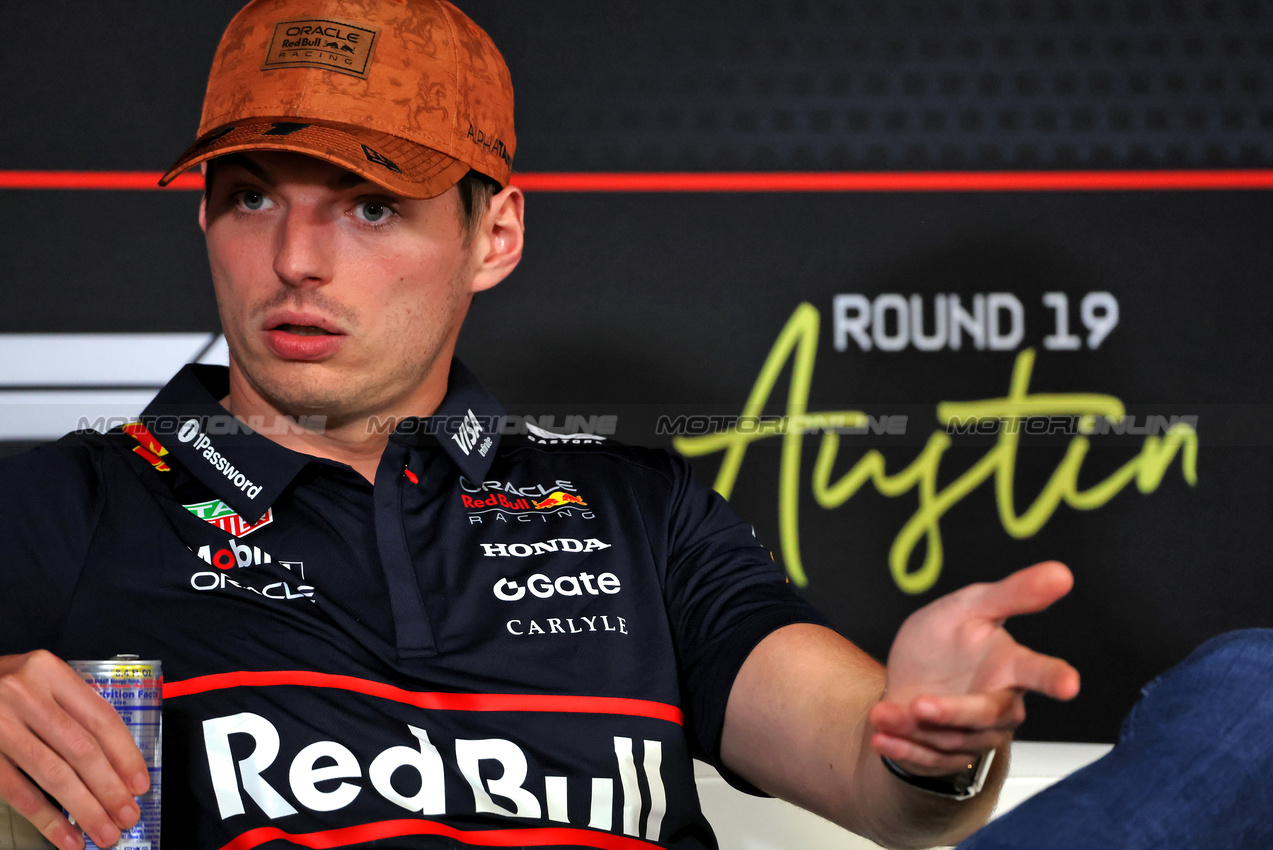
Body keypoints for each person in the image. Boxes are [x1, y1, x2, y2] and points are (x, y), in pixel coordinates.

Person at [9, 1, 1238, 848]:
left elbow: (889, 791)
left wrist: (928, 742)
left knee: (1254, 699)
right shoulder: (75, 505)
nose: (293, 259)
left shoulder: (632, 509)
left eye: (371, 207)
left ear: (493, 236)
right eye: (249, 197)